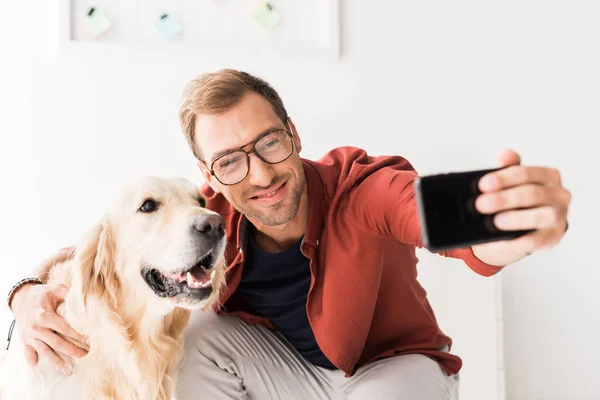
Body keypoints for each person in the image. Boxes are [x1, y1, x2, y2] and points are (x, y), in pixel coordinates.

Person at [6, 69, 571, 399]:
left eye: (269, 143)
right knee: (200, 338)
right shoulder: (206, 215)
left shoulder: (358, 187)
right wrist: (24, 294)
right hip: (287, 375)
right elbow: (105, 245)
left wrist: (505, 222)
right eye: (230, 160)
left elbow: (419, 208)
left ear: (293, 134)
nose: (260, 174)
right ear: (210, 175)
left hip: (388, 370)